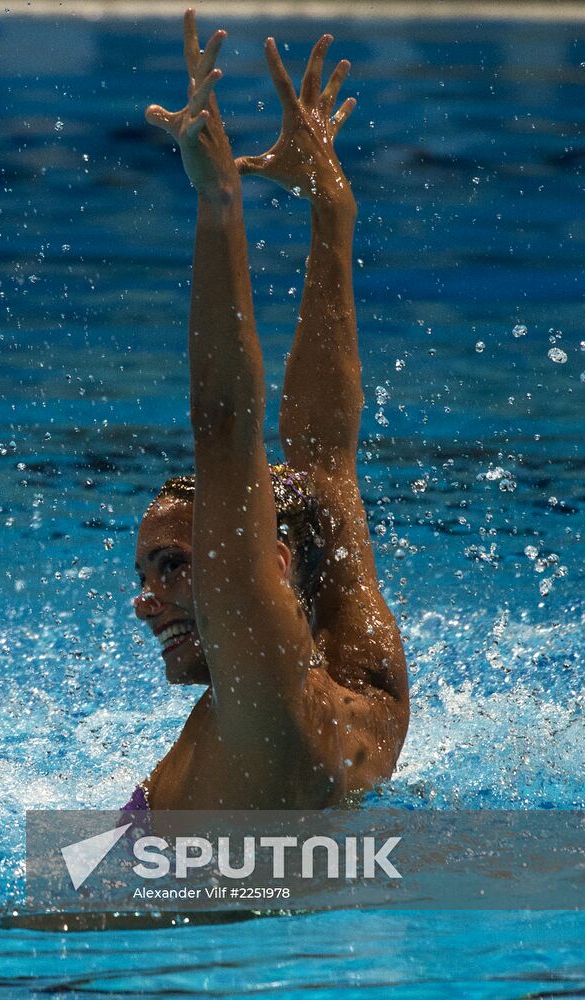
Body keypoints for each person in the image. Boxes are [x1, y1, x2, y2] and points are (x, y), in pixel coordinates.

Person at [128, 10, 408, 810]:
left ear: (272, 569)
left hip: (117, 921)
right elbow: (323, 454)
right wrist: (331, 210)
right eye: (150, 572)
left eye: (178, 565)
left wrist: (221, 205)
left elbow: (225, 421)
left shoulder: (265, 695)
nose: (145, 601)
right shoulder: (366, 694)